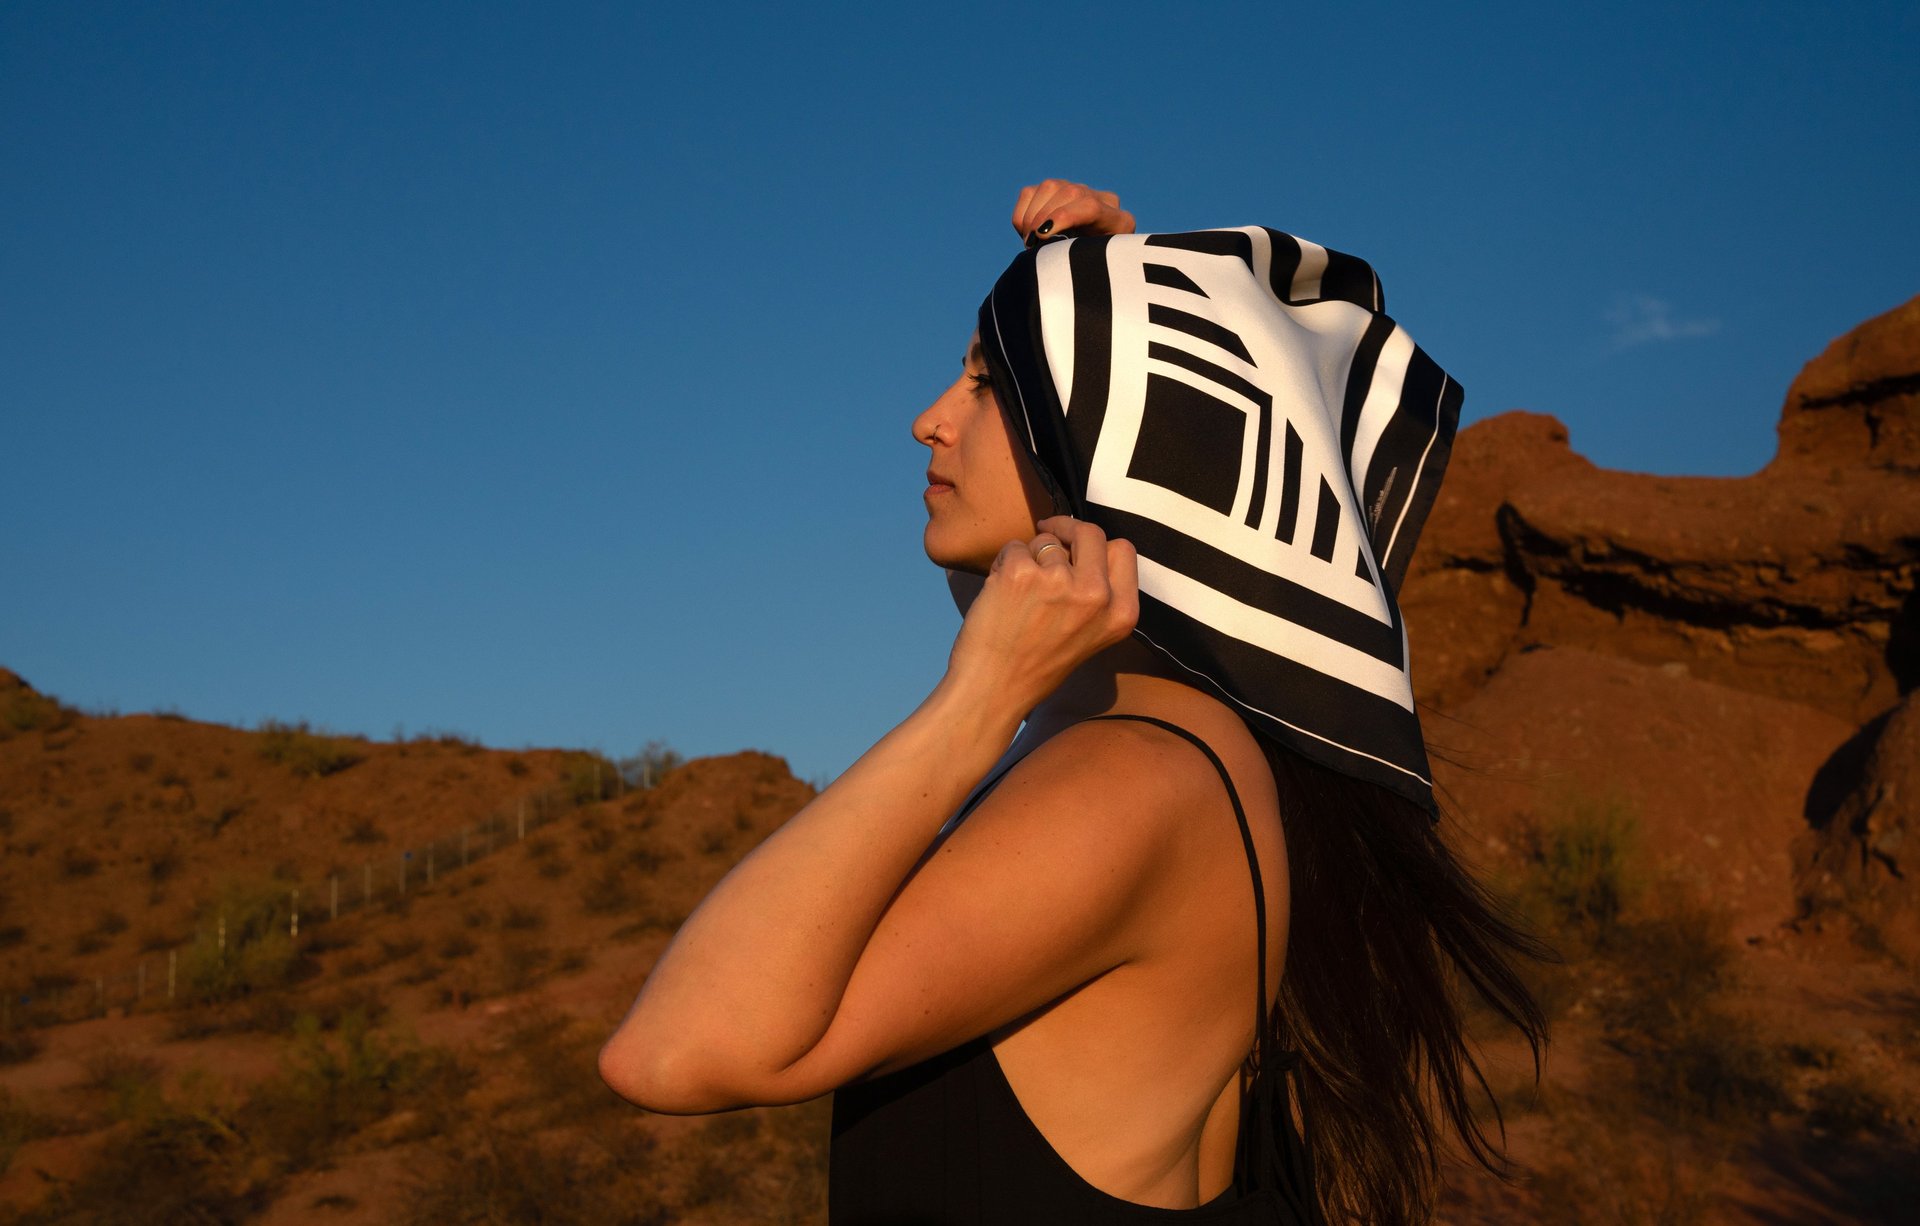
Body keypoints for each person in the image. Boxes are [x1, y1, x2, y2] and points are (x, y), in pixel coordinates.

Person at [599, 181, 1553, 1225]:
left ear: (1108, 437)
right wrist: (1112, 284)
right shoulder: (1162, 738)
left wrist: (976, 698)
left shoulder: (1132, 777)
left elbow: (675, 1052)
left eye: (987, 384)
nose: (929, 420)